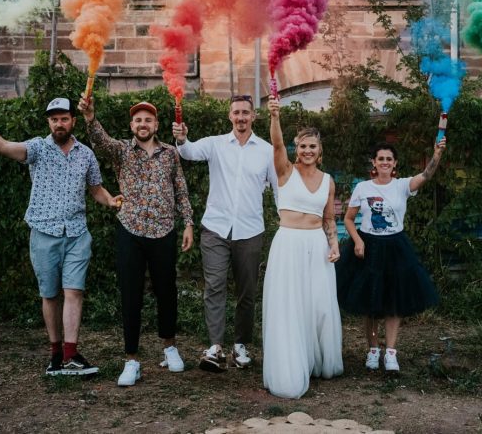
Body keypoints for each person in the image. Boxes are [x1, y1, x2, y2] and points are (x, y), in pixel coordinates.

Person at [0, 97, 121, 376]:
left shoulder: (86, 154)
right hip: (44, 233)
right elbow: (2, 146)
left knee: (74, 292)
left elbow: (96, 189)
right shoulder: (37, 148)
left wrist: (110, 201)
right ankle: (55, 354)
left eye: (64, 118)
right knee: (49, 295)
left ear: (73, 120)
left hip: (77, 234)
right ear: (49, 122)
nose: (59, 124)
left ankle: (71, 354)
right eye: (54, 119)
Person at [79, 97, 194, 387]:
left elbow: (181, 190)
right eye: (138, 120)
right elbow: (100, 141)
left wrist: (189, 223)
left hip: (164, 230)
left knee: (167, 292)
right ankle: (131, 360)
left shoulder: (170, 154)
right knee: (131, 295)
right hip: (130, 229)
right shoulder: (121, 151)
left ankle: (170, 348)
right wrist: (90, 117)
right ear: (132, 126)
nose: (143, 124)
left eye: (148, 120)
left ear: (156, 125)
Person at [172, 95, 278, 372]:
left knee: (247, 291)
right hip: (216, 229)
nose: (241, 117)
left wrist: (286, 220)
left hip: (250, 230)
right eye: (236, 112)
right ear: (229, 116)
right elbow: (188, 152)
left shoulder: (266, 151)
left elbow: (278, 189)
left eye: (246, 112)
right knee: (215, 286)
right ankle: (215, 347)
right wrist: (182, 139)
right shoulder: (215, 144)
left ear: (254, 116)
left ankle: (241, 345)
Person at [336, 141, 444, 373]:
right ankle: (373, 350)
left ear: (395, 163)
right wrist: (357, 240)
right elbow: (348, 219)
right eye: (380, 158)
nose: (384, 162)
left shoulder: (402, 185)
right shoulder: (362, 188)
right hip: (368, 247)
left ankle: (391, 353)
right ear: (374, 163)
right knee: (371, 303)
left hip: (395, 247)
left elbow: (426, 175)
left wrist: (436, 154)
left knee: (394, 302)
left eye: (389, 159)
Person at [262, 95, 343, 399]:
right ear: (297, 149)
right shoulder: (285, 171)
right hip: (288, 245)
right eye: (303, 146)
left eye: (313, 146)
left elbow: (329, 219)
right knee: (290, 305)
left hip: (317, 247)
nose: (307, 151)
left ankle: (317, 360)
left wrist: (334, 245)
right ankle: (290, 366)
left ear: (320, 151)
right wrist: (274, 116)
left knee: (319, 305)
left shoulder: (328, 180)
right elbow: (277, 146)